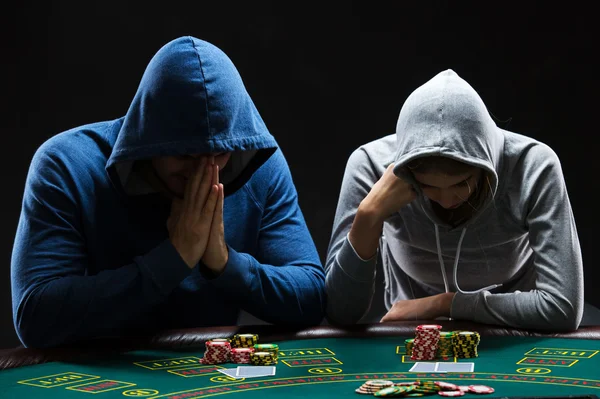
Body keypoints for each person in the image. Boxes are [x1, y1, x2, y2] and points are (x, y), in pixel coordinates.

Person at [11, 36, 326, 348]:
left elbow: (311, 296)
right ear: (147, 143)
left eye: (219, 155)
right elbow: (35, 316)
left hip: (213, 382)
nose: (202, 173)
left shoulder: (258, 166)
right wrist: (174, 258)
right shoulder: (65, 164)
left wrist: (224, 263)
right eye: (184, 155)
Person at [325, 69, 583, 331]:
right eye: (428, 186)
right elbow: (341, 311)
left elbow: (562, 308)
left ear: (485, 168)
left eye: (461, 183)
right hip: (410, 331)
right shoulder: (370, 165)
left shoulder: (533, 166)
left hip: (514, 331)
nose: (447, 200)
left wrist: (446, 304)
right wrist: (369, 214)